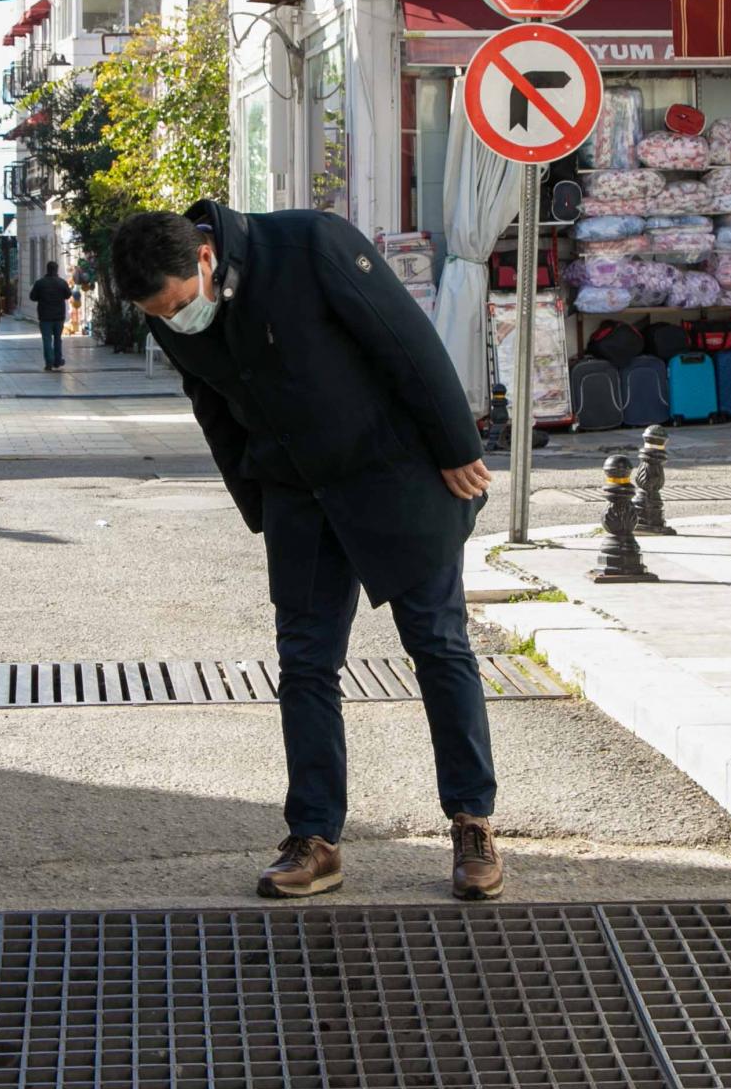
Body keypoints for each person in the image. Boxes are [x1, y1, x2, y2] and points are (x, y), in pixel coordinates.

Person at [109, 202, 504, 902]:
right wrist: (256, 504)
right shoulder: (167, 311)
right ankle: (315, 838)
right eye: (157, 314)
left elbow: (406, 341)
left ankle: (472, 823)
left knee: (438, 645)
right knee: (305, 663)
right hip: (297, 495)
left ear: (204, 257)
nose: (172, 320)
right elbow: (211, 405)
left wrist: (456, 447)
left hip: (394, 475)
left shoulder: (310, 245)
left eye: (175, 304)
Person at [30, 261, 73, 370]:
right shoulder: (62, 283)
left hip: (44, 316)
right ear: (56, 270)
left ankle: (49, 362)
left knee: (47, 339)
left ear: (47, 269)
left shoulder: (40, 283)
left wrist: (41, 297)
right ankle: (57, 360)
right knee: (58, 338)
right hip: (59, 316)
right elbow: (68, 295)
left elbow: (32, 297)